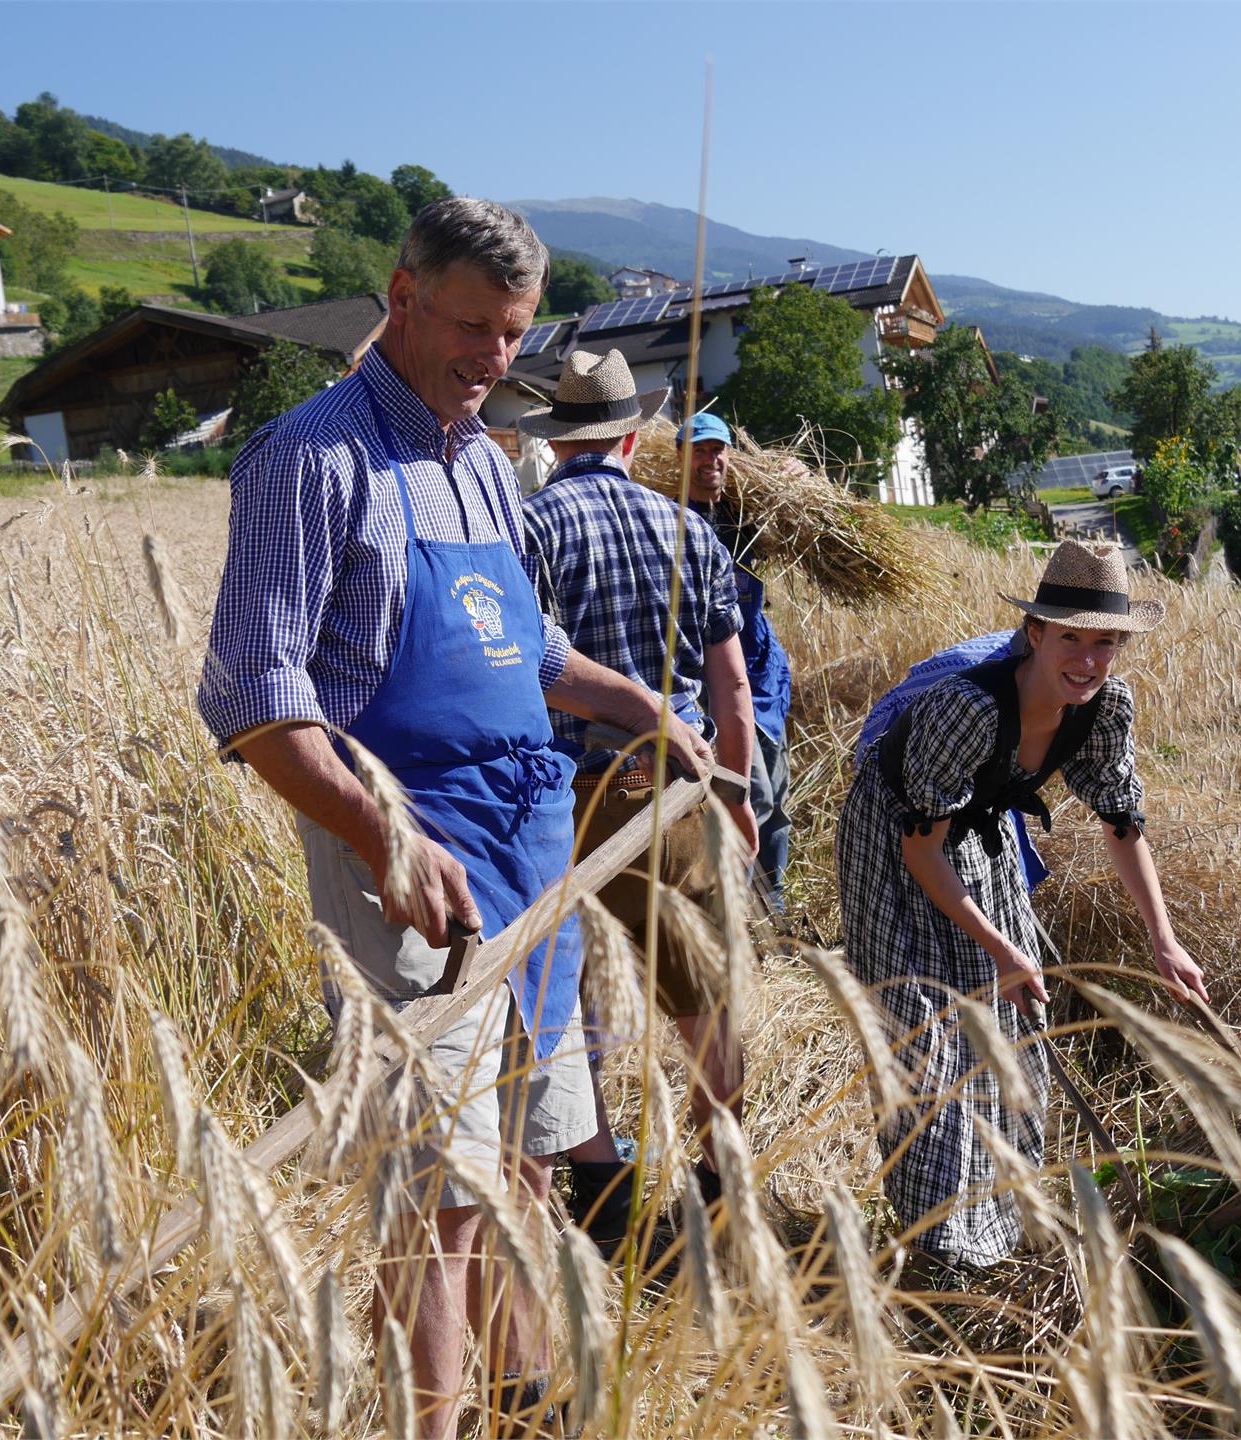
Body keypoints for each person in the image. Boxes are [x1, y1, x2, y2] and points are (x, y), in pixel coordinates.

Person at [197, 199, 713, 1438]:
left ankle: (521, 1389)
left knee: (530, 1161)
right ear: (404, 292)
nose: (492, 358)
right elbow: (257, 703)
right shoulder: (311, 460)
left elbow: (526, 649)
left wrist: (638, 701)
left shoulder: (486, 463)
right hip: (413, 871)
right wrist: (390, 841)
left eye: (514, 335)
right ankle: (438, 1423)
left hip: (533, 858)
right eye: (472, 326)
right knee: (437, 1189)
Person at [835, 540, 1209, 1271]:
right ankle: (941, 1253)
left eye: (1105, 643)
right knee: (928, 1041)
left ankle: (1001, 1230)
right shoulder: (966, 709)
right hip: (896, 840)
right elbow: (921, 851)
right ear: (1034, 634)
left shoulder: (1105, 710)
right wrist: (1002, 950)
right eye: (1069, 638)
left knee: (1008, 1031)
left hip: (980, 831)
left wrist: (1164, 940)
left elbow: (1122, 823)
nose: (1088, 660)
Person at [520, 351, 758, 1242]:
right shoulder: (693, 532)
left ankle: (603, 1186)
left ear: (561, 437)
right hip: (676, 793)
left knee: (571, 997)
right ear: (632, 435)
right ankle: (716, 1178)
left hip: (571, 802)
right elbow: (732, 692)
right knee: (704, 991)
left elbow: (520, 675)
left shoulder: (529, 528)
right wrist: (734, 800)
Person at [680, 412, 796, 911]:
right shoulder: (675, 522)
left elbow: (807, 519)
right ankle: (743, 915)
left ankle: (778, 910)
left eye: (718, 449)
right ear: (681, 459)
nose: (711, 460)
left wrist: (796, 479)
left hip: (763, 674)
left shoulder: (746, 516)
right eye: (700, 451)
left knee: (778, 802)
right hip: (717, 681)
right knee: (751, 795)